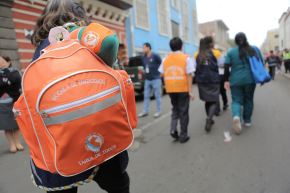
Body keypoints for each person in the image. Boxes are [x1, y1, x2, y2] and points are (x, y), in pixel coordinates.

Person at [29, 0, 130, 192]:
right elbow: (111, 50)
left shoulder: (40, 50)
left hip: (60, 140)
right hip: (102, 132)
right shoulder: (86, 39)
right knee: (118, 185)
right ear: (81, 15)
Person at [224, 32, 261, 135]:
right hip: (250, 80)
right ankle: (247, 121)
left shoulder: (231, 52)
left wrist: (226, 80)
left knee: (236, 100)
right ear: (246, 39)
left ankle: (236, 116)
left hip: (235, 80)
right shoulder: (252, 50)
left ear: (236, 41)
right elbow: (260, 63)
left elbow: (226, 66)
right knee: (249, 99)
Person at [158, 37, 194, 143]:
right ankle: (183, 135)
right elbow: (189, 75)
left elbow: (161, 73)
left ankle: (173, 129)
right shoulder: (186, 58)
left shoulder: (166, 59)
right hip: (183, 88)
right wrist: (190, 91)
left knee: (175, 109)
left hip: (170, 89)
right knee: (183, 111)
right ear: (181, 46)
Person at [194, 36, 223, 133]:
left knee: (207, 100)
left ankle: (210, 118)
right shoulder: (216, 53)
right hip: (213, 80)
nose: (214, 43)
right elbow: (222, 64)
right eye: (213, 42)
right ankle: (209, 119)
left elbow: (194, 68)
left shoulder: (197, 54)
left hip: (202, 81)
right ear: (210, 44)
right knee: (214, 100)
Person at [0, 56, 24, 153]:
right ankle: (12, 144)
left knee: (16, 123)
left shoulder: (15, 72)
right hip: (1, 103)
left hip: (15, 101)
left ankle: (17, 142)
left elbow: (17, 81)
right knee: (7, 125)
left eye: (1, 61)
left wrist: (5, 80)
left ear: (8, 62)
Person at [138, 43, 162, 118]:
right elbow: (145, 67)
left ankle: (159, 111)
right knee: (146, 96)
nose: (143, 49)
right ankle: (145, 111)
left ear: (148, 48)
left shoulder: (155, 56)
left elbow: (162, 64)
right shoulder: (143, 57)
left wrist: (160, 74)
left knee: (157, 95)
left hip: (156, 79)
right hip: (147, 80)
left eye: (144, 48)